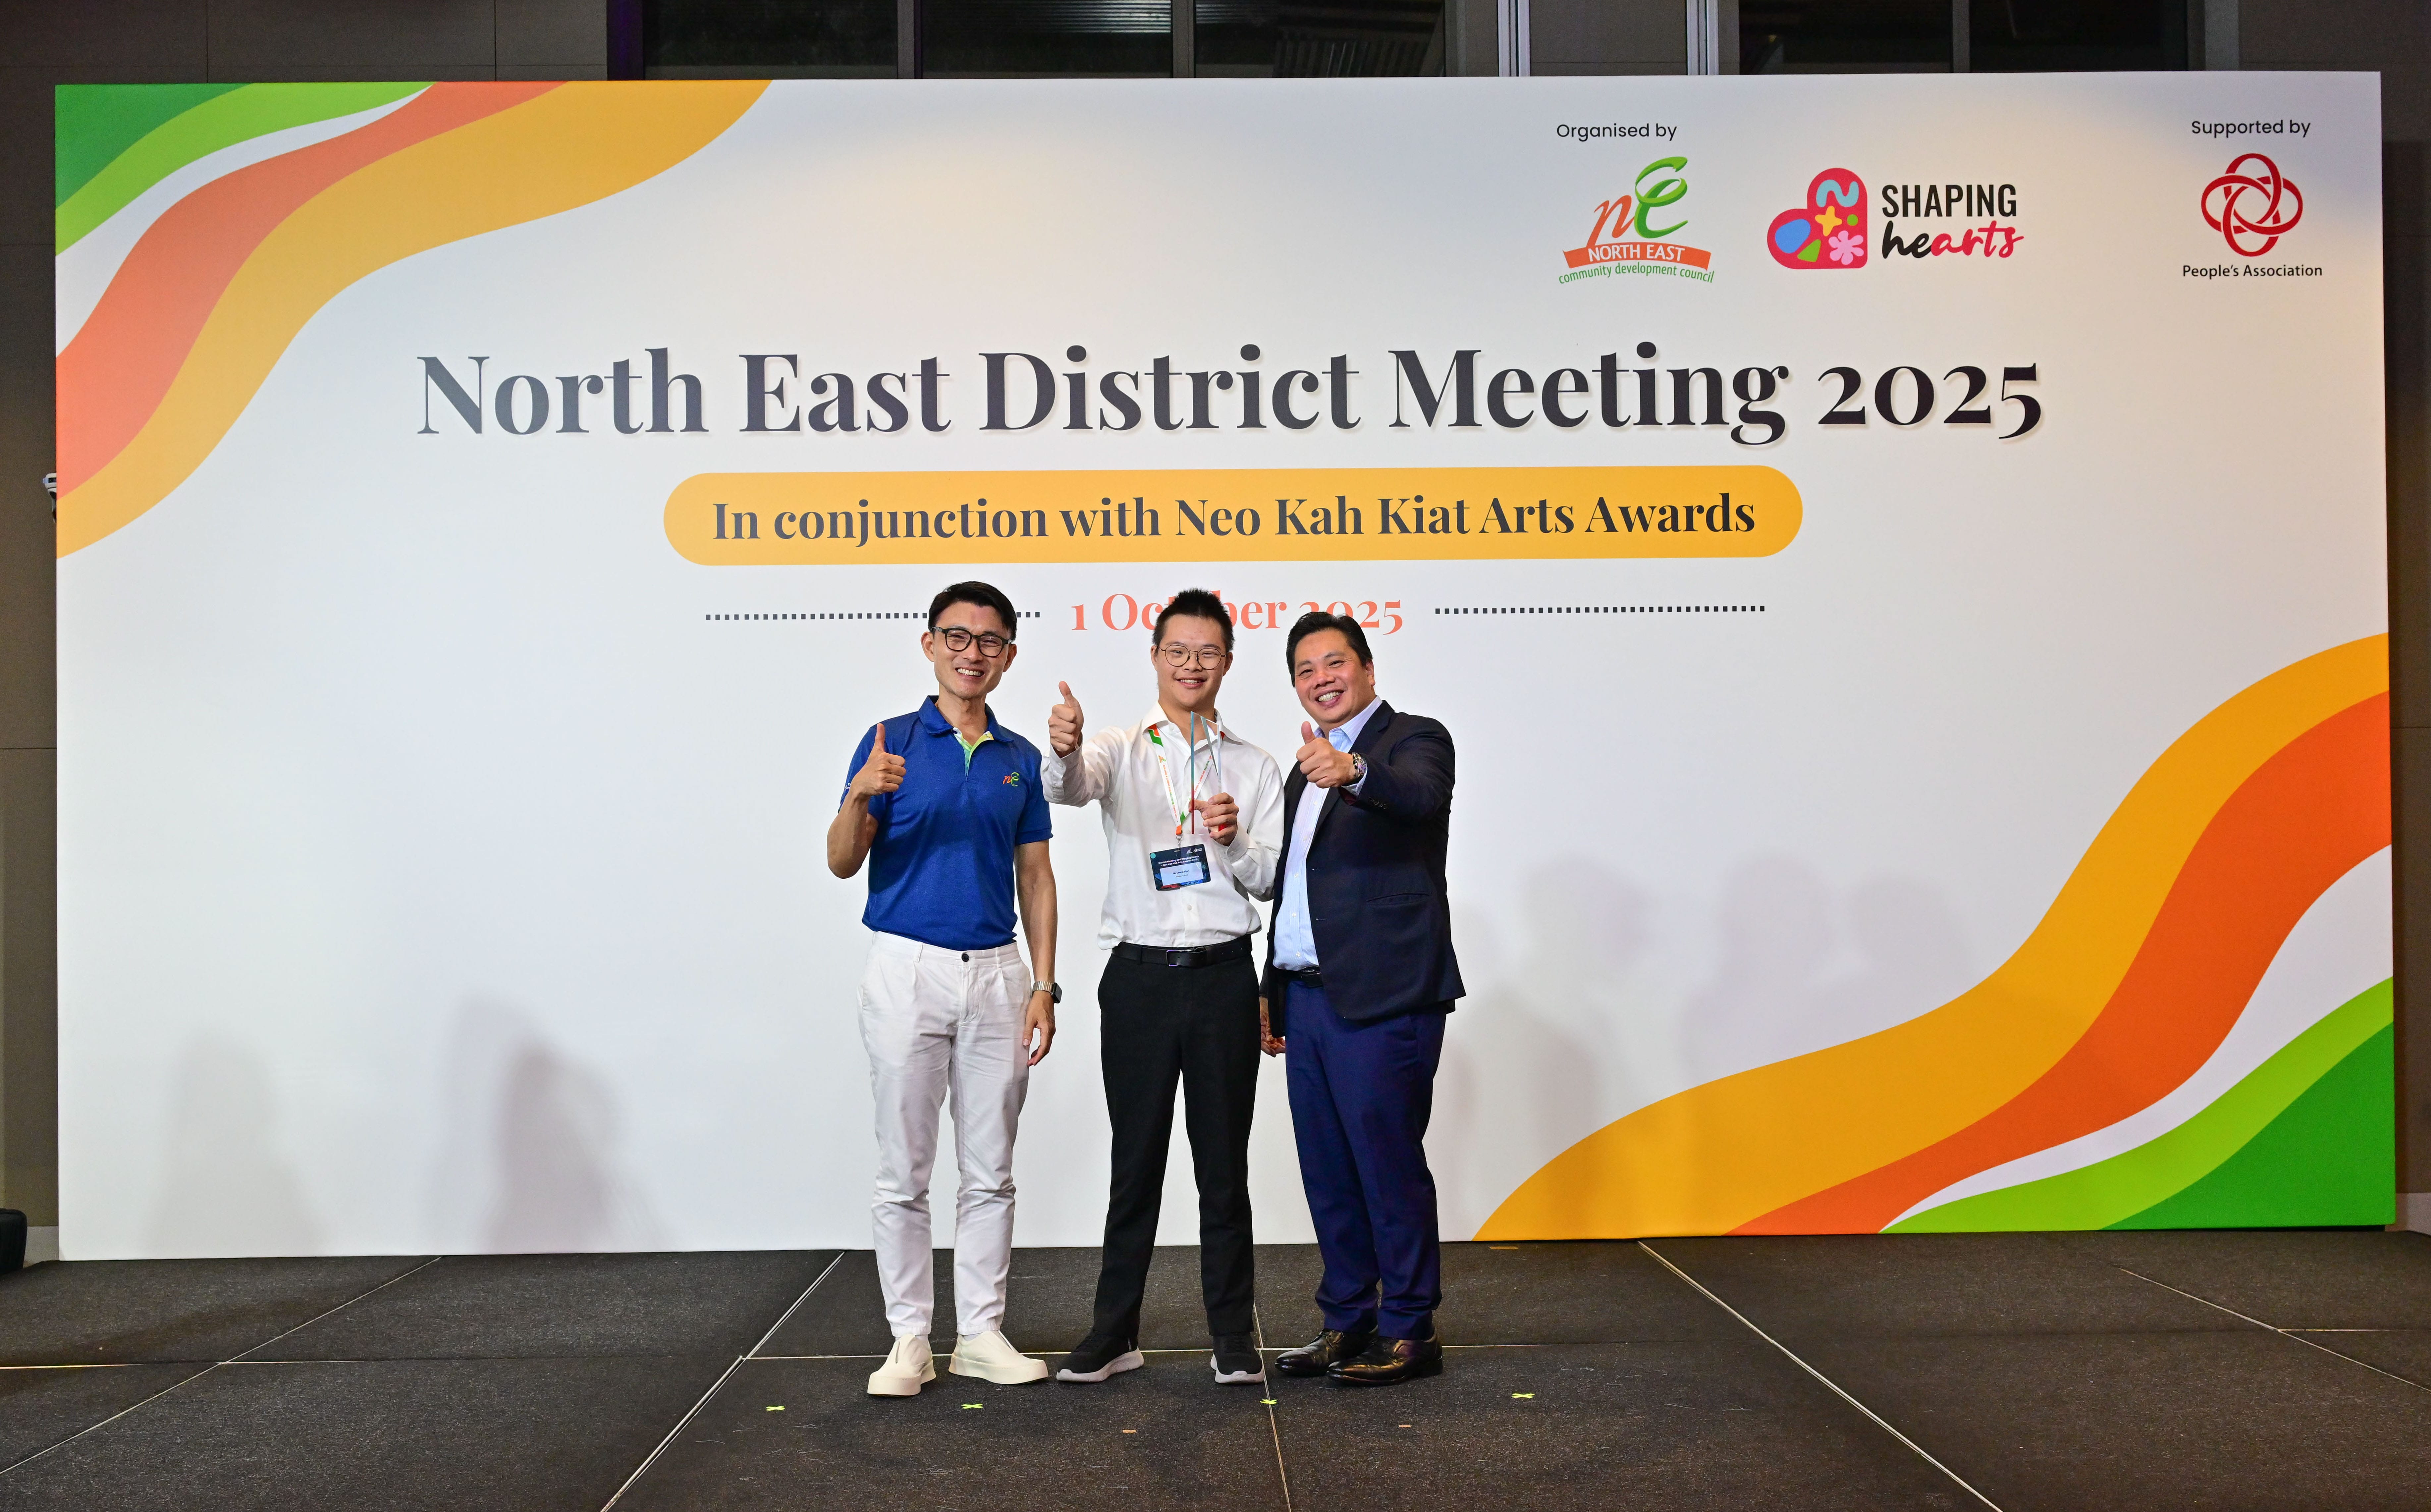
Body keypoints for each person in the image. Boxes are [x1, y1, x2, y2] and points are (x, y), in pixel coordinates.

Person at [1040, 589, 1287, 1388]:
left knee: (1224, 1165)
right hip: (1139, 979)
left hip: (1222, 977)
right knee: (1134, 1159)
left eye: (1207, 653)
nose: (1191, 665)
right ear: (1155, 657)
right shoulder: (1119, 745)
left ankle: (1233, 1334)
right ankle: (1114, 1333)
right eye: (1177, 651)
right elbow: (1071, 787)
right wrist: (1065, 747)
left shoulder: (1253, 764)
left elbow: (1271, 876)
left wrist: (1234, 837)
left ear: (1227, 663)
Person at [828, 580, 1059, 1397]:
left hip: (998, 973)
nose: (972, 652)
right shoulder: (889, 739)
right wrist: (862, 793)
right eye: (957, 636)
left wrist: (1045, 982)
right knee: (905, 1168)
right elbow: (841, 861)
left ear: (1008, 656)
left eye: (989, 640)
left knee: (991, 1168)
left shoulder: (1020, 757)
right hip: (906, 967)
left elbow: (1035, 876)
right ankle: (909, 1339)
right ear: (929, 644)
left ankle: (982, 1332)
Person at [1261, 610, 1463, 1387]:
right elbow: (1294, 889)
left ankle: (1411, 1328)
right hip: (1309, 998)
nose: (1322, 678)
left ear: (1369, 669)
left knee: (1387, 1164)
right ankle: (1348, 1318)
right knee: (1329, 1168)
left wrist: (1356, 773)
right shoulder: (1301, 768)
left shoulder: (1414, 739)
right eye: (1306, 669)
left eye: (1335, 662)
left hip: (1385, 996)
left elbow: (1419, 797)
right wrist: (1272, 988)